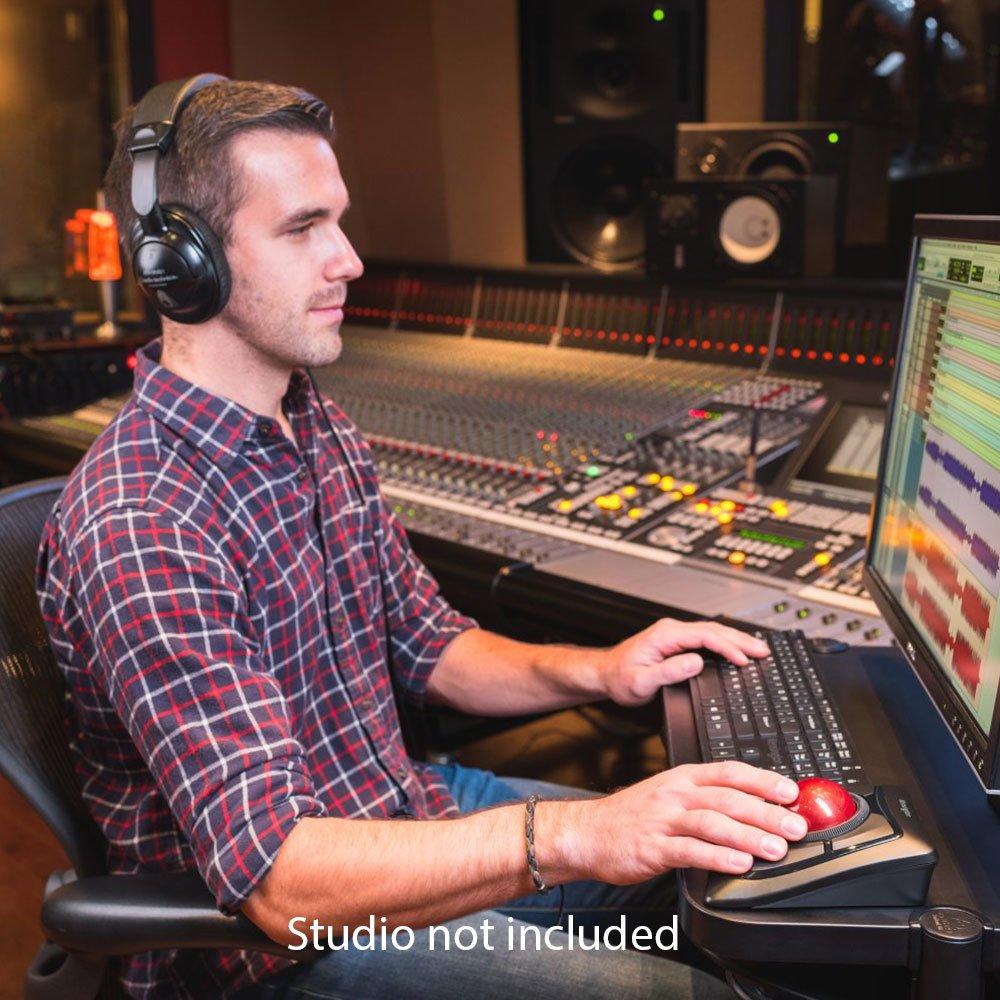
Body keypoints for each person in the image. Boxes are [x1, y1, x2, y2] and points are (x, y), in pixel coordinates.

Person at [37, 78, 808, 1000]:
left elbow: (426, 642)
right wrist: (577, 835)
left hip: (406, 809)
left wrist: (602, 670)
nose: (349, 260)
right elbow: (283, 882)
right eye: (303, 228)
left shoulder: (311, 421)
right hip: (288, 944)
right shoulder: (145, 519)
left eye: (339, 221)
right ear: (181, 263)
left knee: (736, 885)